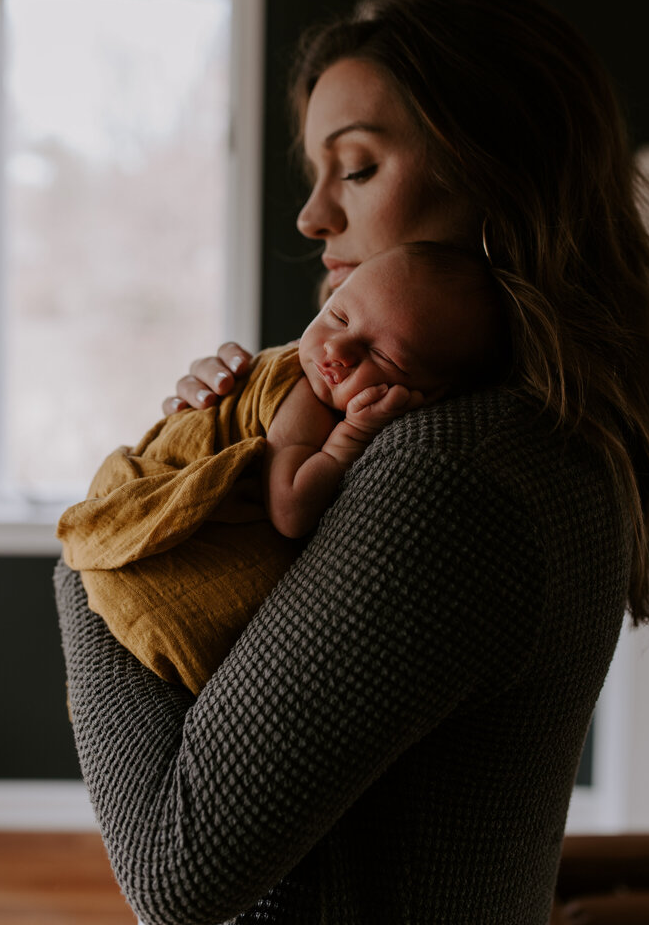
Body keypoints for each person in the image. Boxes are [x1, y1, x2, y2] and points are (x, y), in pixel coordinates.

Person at [54, 0, 649, 925]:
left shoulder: (454, 474)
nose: (314, 216)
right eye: (315, 173)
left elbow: (175, 870)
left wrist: (106, 536)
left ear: (497, 172)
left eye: (356, 168)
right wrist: (210, 463)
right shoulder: (522, 431)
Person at [58, 241, 506, 694]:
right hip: (146, 511)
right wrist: (346, 441)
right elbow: (290, 510)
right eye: (338, 316)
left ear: (431, 395)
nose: (337, 348)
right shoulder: (303, 396)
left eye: (384, 357)